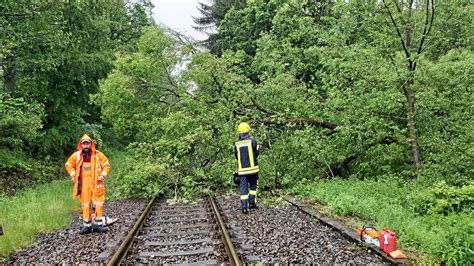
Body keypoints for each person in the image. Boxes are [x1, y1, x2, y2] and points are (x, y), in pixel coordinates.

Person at [65, 134, 111, 234]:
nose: (86, 146)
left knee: (98, 204)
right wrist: (73, 175)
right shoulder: (76, 155)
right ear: (81, 145)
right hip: (84, 184)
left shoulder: (98, 154)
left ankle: (99, 225)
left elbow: (107, 165)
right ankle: (87, 226)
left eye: (87, 143)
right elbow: (68, 165)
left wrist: (103, 175)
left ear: (91, 144)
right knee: (85, 204)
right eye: (84, 144)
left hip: (97, 184)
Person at [234, 122, 259, 214]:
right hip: (253, 169)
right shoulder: (253, 141)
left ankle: (244, 207)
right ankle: (252, 203)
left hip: (242, 170)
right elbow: (257, 153)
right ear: (248, 131)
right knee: (253, 186)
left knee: (243, 187)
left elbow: (236, 156)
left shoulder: (237, 144)